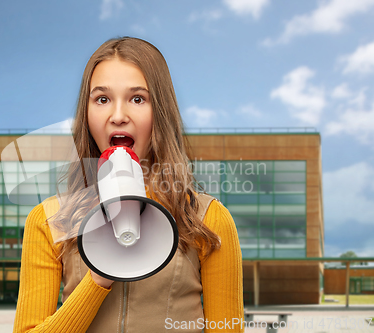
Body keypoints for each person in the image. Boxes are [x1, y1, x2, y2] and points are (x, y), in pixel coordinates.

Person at [13, 37, 244, 333]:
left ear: (160, 112)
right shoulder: (49, 220)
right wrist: (98, 278)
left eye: (137, 99)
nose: (118, 116)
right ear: (86, 113)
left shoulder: (208, 219)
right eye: (102, 99)